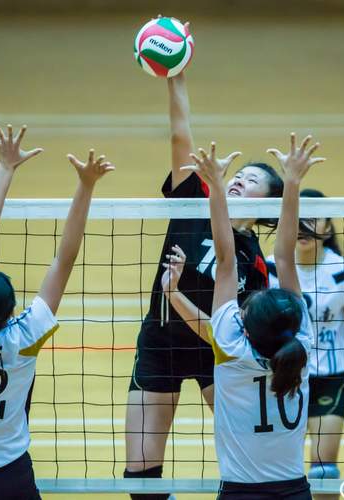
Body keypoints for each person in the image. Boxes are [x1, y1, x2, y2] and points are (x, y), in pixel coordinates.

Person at [125, 66, 285, 499]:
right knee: (141, 483)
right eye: (238, 175)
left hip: (218, 357)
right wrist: (174, 77)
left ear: (268, 204)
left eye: (251, 181)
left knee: (245, 467)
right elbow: (181, 136)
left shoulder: (255, 268)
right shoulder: (194, 201)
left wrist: (174, 295)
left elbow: (225, 332)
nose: (238, 180)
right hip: (159, 346)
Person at [0, 124, 113, 500]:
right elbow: (65, 258)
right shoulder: (23, 338)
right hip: (10, 477)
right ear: (12, 310)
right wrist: (86, 186)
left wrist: (5, 168)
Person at [172, 133, 323, 499]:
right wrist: (294, 183)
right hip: (294, 491)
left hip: (240, 492)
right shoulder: (299, 347)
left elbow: (226, 260)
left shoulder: (230, 348)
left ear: (247, 326)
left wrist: (219, 188)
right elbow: (283, 257)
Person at [265, 188, 344, 494]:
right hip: (284, 376)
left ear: (328, 227)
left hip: (329, 378)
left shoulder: (343, 273)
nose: (305, 227)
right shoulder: (270, 268)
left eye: (314, 219)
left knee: (325, 471)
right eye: (298, 219)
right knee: (279, 470)